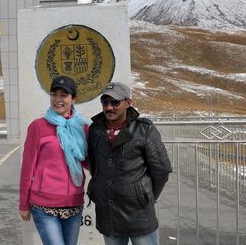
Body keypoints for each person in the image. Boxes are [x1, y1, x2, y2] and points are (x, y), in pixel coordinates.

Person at [87, 82, 172, 245]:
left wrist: (144, 196)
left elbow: (161, 170)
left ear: (128, 102)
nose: (109, 107)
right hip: (108, 215)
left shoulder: (145, 129)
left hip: (139, 215)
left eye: (115, 102)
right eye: (105, 102)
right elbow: (95, 166)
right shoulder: (95, 130)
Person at [19, 76, 89, 245]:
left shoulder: (83, 128)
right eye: (54, 94)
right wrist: (23, 204)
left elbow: (88, 162)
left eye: (63, 95)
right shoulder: (38, 127)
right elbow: (27, 168)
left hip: (74, 203)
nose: (57, 99)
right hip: (44, 205)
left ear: (73, 99)